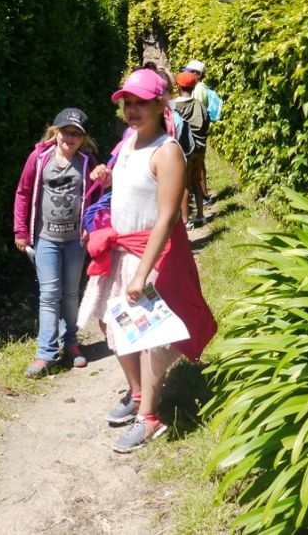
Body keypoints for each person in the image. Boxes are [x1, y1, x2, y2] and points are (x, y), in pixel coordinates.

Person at [77, 69, 217, 453]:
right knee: (114, 325)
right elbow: (127, 192)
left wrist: (143, 273)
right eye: (127, 103)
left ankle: (150, 418)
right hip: (120, 252)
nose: (132, 110)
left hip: (152, 256)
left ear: (160, 104)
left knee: (154, 337)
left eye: (141, 102)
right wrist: (107, 177)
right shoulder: (128, 144)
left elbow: (168, 216)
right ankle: (138, 393)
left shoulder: (167, 150)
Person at [13, 108, 99, 376]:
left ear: (83, 139)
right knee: (49, 295)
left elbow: (99, 198)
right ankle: (45, 353)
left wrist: (91, 228)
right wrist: (20, 231)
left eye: (76, 134)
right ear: (55, 131)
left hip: (75, 241)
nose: (70, 138)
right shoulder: (40, 158)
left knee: (71, 294)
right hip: (46, 239)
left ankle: (71, 343)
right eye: (65, 131)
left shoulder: (88, 161)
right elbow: (23, 192)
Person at [173, 70, 209, 228]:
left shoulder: (174, 105)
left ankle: (185, 219)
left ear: (178, 86)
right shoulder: (200, 105)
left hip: (185, 149)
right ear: (194, 86)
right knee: (196, 180)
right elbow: (206, 122)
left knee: (185, 184)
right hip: (200, 149)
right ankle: (200, 215)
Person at [184, 59, 220, 205]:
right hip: (198, 130)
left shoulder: (198, 89)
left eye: (190, 72)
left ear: (198, 74)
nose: (187, 75)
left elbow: (196, 111)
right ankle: (202, 194)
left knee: (197, 163)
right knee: (199, 162)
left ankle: (203, 195)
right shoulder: (200, 88)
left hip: (195, 130)